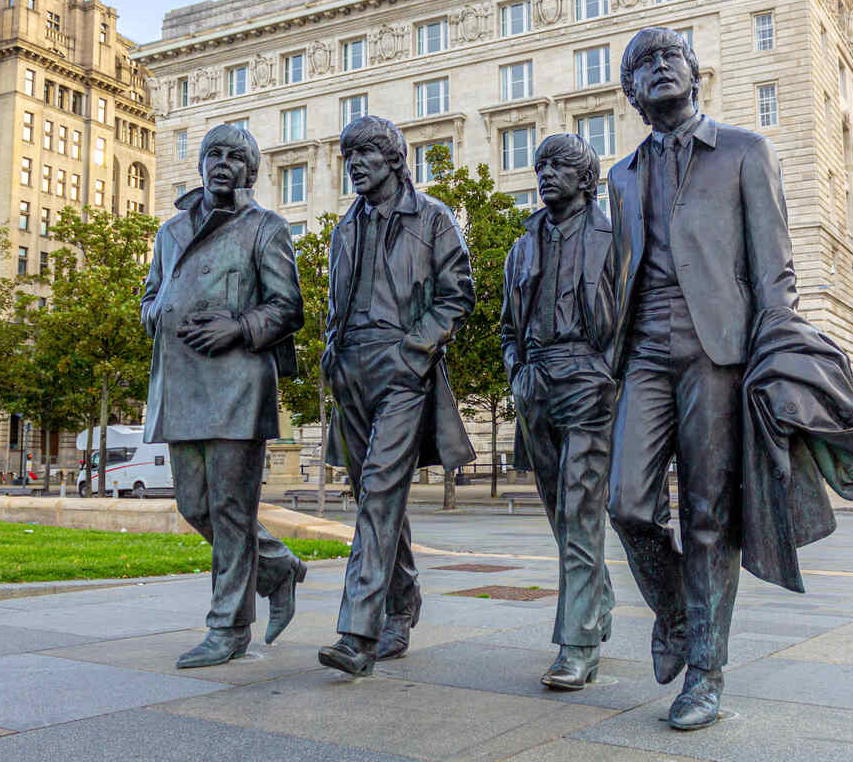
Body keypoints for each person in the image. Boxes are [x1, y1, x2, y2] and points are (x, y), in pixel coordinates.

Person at [605, 26, 800, 729]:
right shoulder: (619, 175)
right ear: (630, 92)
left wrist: (776, 351)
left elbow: (774, 265)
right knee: (627, 503)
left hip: (719, 347)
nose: (659, 69)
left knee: (709, 516)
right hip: (646, 352)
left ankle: (706, 674)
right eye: (643, 65)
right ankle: (680, 616)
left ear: (696, 75)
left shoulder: (746, 151)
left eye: (670, 58)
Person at [141, 122, 308, 669]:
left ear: (251, 172)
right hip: (181, 381)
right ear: (200, 164)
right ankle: (278, 565)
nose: (222, 163)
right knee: (194, 505)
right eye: (214, 154)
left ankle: (229, 627)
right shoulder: (169, 232)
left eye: (236, 158)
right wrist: (158, 317)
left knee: (231, 509)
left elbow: (288, 308)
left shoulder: (267, 228)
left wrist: (237, 326)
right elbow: (150, 296)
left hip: (238, 382)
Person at [318, 115, 475, 676]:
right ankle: (403, 602)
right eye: (348, 154)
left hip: (403, 367)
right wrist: (331, 353)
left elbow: (459, 294)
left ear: (393, 159)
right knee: (373, 498)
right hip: (351, 372)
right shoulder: (343, 229)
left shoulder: (432, 219)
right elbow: (334, 305)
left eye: (364, 153)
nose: (354, 163)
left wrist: (417, 350)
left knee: (382, 491)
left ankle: (357, 631)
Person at [500, 133, 617, 690]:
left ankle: (577, 645)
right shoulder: (522, 244)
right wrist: (515, 371)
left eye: (560, 165)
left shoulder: (614, 236)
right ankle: (597, 600)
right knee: (560, 514)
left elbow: (634, 314)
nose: (545, 173)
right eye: (541, 165)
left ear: (586, 178)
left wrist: (606, 372)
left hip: (589, 380)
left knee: (579, 509)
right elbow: (507, 326)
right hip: (535, 383)